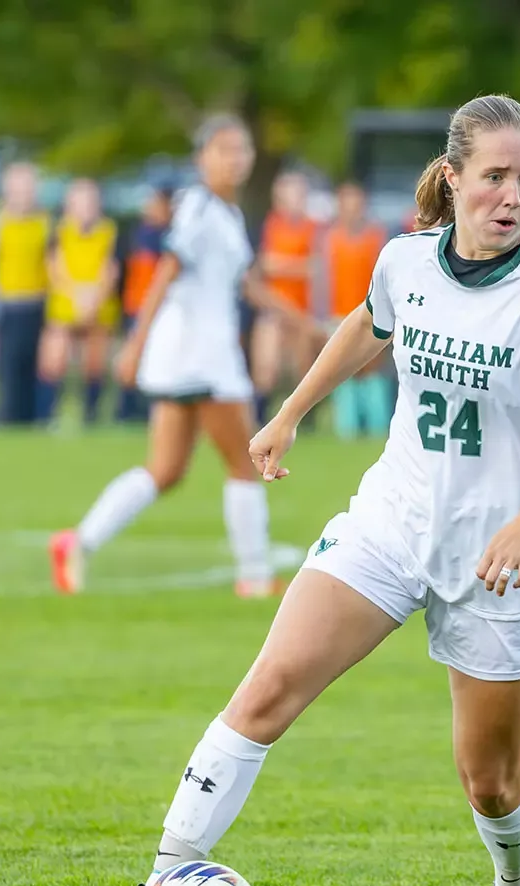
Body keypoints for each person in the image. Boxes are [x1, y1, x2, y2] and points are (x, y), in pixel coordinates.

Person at [87, 93, 520, 886]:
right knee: (266, 690)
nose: (513, 194)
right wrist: (290, 411)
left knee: (490, 783)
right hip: (392, 520)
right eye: (495, 176)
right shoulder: (406, 262)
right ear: (453, 180)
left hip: (497, 560)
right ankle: (161, 881)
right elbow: (367, 326)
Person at [49, 115, 317, 599]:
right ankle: (255, 576)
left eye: (242, 150)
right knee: (244, 460)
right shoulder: (197, 205)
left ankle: (77, 542)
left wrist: (301, 322)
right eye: (224, 150)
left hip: (193, 355)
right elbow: (166, 270)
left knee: (167, 469)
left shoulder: (228, 214)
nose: (235, 159)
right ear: (202, 158)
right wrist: (134, 343)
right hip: (201, 355)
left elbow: (249, 284)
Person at [40, 177, 121, 427]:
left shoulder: (109, 231)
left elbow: (111, 269)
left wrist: (94, 299)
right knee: (54, 357)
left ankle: (91, 416)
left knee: (94, 361)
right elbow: (55, 268)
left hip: (98, 306)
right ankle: (48, 414)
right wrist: (76, 294)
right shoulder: (59, 230)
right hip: (66, 304)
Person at [316, 180, 392, 439]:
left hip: (370, 313)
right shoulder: (329, 239)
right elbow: (322, 280)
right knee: (341, 370)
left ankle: (376, 426)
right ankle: (346, 428)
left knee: (371, 367)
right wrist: (320, 316)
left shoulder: (377, 238)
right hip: (338, 314)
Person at [0, 163, 52, 425]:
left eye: (30, 188)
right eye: (21, 189)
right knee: (9, 370)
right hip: (7, 306)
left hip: (37, 304)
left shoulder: (44, 219)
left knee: (37, 369)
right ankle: (10, 418)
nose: (26, 194)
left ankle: (35, 419)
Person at [250, 171, 322, 420]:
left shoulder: (314, 228)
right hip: (275, 307)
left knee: (304, 367)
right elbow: (266, 265)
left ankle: (303, 419)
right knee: (265, 366)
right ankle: (259, 415)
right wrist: (296, 267)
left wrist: (282, 265)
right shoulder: (272, 225)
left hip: (302, 310)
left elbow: (317, 267)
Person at [116, 184, 173, 423]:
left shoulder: (170, 237)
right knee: (134, 357)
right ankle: (127, 412)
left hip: (160, 309)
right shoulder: (136, 233)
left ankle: (150, 411)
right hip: (135, 306)